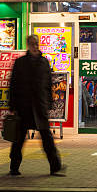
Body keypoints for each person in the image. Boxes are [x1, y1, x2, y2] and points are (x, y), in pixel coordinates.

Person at [9, 35, 64, 176]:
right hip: (24, 106)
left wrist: (49, 103)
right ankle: (14, 167)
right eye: (32, 44)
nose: (35, 46)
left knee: (47, 138)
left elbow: (49, 84)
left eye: (36, 44)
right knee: (18, 139)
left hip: (39, 106)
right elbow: (13, 85)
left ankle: (55, 166)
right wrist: (12, 107)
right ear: (28, 45)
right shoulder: (20, 62)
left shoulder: (44, 62)